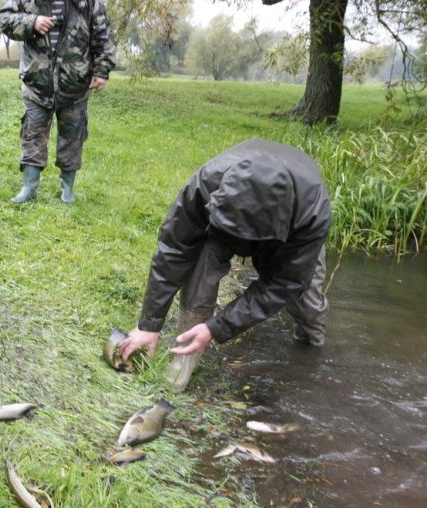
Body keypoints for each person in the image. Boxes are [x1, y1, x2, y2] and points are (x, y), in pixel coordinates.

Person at [118, 138, 331, 392]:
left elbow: (283, 284)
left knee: (308, 306)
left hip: (288, 235)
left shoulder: (313, 214)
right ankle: (184, 356)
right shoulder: (205, 185)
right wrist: (148, 325)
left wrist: (217, 327)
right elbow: (174, 250)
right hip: (223, 223)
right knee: (202, 262)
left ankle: (309, 356)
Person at [0, 0, 116, 204]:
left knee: (72, 136)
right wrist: (31, 22)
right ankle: (29, 187)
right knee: (32, 133)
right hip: (36, 84)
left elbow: (103, 35)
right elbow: (4, 19)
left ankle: (67, 189)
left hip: (75, 85)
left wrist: (102, 71)